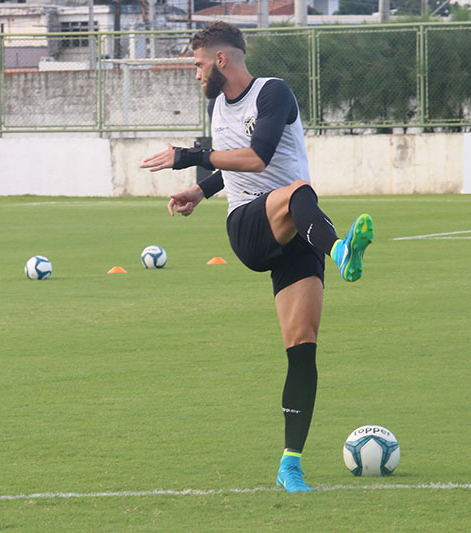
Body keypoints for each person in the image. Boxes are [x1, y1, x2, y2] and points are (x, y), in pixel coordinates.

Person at [140, 21, 373, 493]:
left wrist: (192, 163)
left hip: (294, 228)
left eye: (199, 64)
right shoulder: (215, 107)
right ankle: (342, 248)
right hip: (249, 225)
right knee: (299, 191)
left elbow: (258, 156)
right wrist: (203, 189)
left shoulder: (273, 94)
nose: (197, 73)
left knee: (302, 346)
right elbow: (239, 166)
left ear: (221, 60)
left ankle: (290, 464)